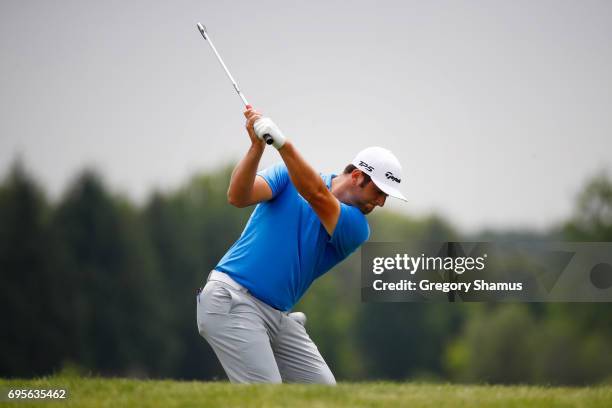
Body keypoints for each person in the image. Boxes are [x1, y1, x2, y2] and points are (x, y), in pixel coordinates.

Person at [196, 107, 407, 384]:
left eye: (386, 196)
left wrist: (283, 144)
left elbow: (316, 195)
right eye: (378, 191)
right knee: (266, 396)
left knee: (324, 392)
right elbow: (238, 195)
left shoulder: (357, 226)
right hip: (231, 299)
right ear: (357, 176)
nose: (380, 202)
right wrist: (256, 148)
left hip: (276, 316)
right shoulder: (286, 176)